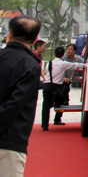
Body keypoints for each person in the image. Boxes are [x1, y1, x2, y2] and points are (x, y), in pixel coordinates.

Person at [0, 15, 42, 176]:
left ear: (9, 34)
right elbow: (15, 104)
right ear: (35, 38)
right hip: (10, 139)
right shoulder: (30, 65)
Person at [40, 46, 84, 130]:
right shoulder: (63, 63)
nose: (69, 51)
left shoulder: (50, 63)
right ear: (63, 54)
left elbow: (47, 72)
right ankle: (55, 113)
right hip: (58, 86)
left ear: (54, 54)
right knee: (62, 101)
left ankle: (45, 125)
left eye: (70, 49)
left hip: (47, 85)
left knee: (45, 105)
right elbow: (76, 65)